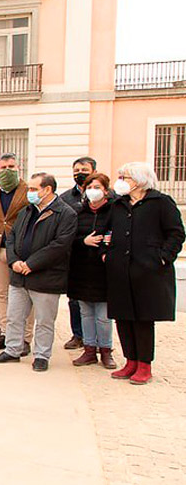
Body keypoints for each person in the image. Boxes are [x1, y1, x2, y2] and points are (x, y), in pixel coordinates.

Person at [106, 162, 185, 385]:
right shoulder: (118, 204)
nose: (120, 181)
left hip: (148, 272)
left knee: (143, 319)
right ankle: (129, 360)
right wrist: (107, 253)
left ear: (140, 180)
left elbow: (176, 234)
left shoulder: (160, 202)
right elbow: (107, 231)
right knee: (123, 317)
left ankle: (144, 365)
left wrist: (162, 257)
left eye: (125, 177)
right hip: (120, 270)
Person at [0, 173, 77, 372]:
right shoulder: (27, 211)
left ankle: (41, 355)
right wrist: (14, 261)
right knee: (14, 316)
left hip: (46, 276)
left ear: (47, 190)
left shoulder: (65, 213)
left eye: (33, 189)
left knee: (44, 320)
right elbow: (11, 238)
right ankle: (12, 349)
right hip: (19, 274)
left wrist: (32, 264)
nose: (29, 193)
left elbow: (60, 245)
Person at [0, 154, 33, 352]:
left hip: (21, 251)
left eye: (11, 166)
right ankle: (5, 332)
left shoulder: (29, 190)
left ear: (18, 167)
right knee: (1, 293)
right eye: (3, 167)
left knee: (25, 295)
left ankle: (25, 338)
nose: (7, 170)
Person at [67, 173, 116, 369]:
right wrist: (83, 241)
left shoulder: (114, 211)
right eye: (89, 187)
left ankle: (105, 350)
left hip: (103, 270)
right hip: (81, 269)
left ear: (106, 190)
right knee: (85, 313)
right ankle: (88, 350)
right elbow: (69, 237)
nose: (92, 191)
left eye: (97, 187)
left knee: (103, 316)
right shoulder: (78, 212)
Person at [59, 156, 97, 350]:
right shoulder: (66, 198)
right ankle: (78, 335)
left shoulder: (109, 197)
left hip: (98, 257)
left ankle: (98, 340)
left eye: (84, 170)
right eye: (76, 170)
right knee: (74, 299)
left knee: (98, 303)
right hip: (74, 255)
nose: (79, 173)